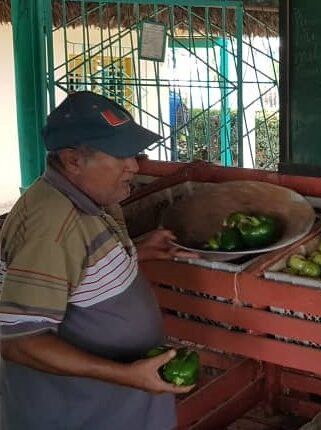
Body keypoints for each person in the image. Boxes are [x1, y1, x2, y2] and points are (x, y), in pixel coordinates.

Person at [0, 91, 198, 429]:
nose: (134, 165)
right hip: (79, 415)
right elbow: (19, 341)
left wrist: (138, 250)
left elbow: (80, 273)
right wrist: (126, 375)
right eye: (120, 155)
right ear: (74, 160)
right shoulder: (53, 226)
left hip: (116, 408)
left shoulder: (95, 198)